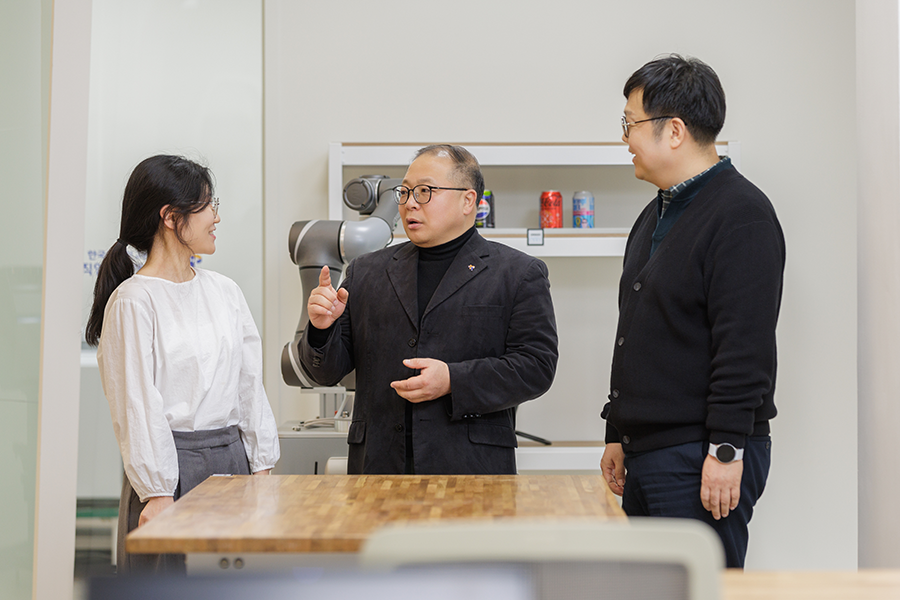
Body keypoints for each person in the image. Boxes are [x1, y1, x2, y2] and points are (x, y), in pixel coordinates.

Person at [599, 55, 785, 568]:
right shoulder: (655, 213)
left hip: (699, 453)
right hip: (650, 451)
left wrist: (727, 449)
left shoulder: (740, 213)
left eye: (630, 124)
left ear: (674, 130)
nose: (625, 138)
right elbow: (637, 333)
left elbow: (743, 345)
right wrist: (617, 432)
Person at [299, 144, 558, 475]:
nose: (409, 203)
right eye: (404, 192)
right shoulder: (367, 271)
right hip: (379, 468)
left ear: (468, 201)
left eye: (424, 192)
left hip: (470, 470)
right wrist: (322, 328)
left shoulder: (517, 273)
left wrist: (454, 379)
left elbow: (535, 368)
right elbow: (325, 372)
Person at [85, 155, 280, 573]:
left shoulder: (225, 291)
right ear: (171, 217)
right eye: (208, 206)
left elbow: (249, 387)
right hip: (172, 472)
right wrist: (157, 494)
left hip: (233, 464)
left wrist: (261, 468)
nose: (217, 217)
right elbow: (136, 404)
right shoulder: (134, 301)